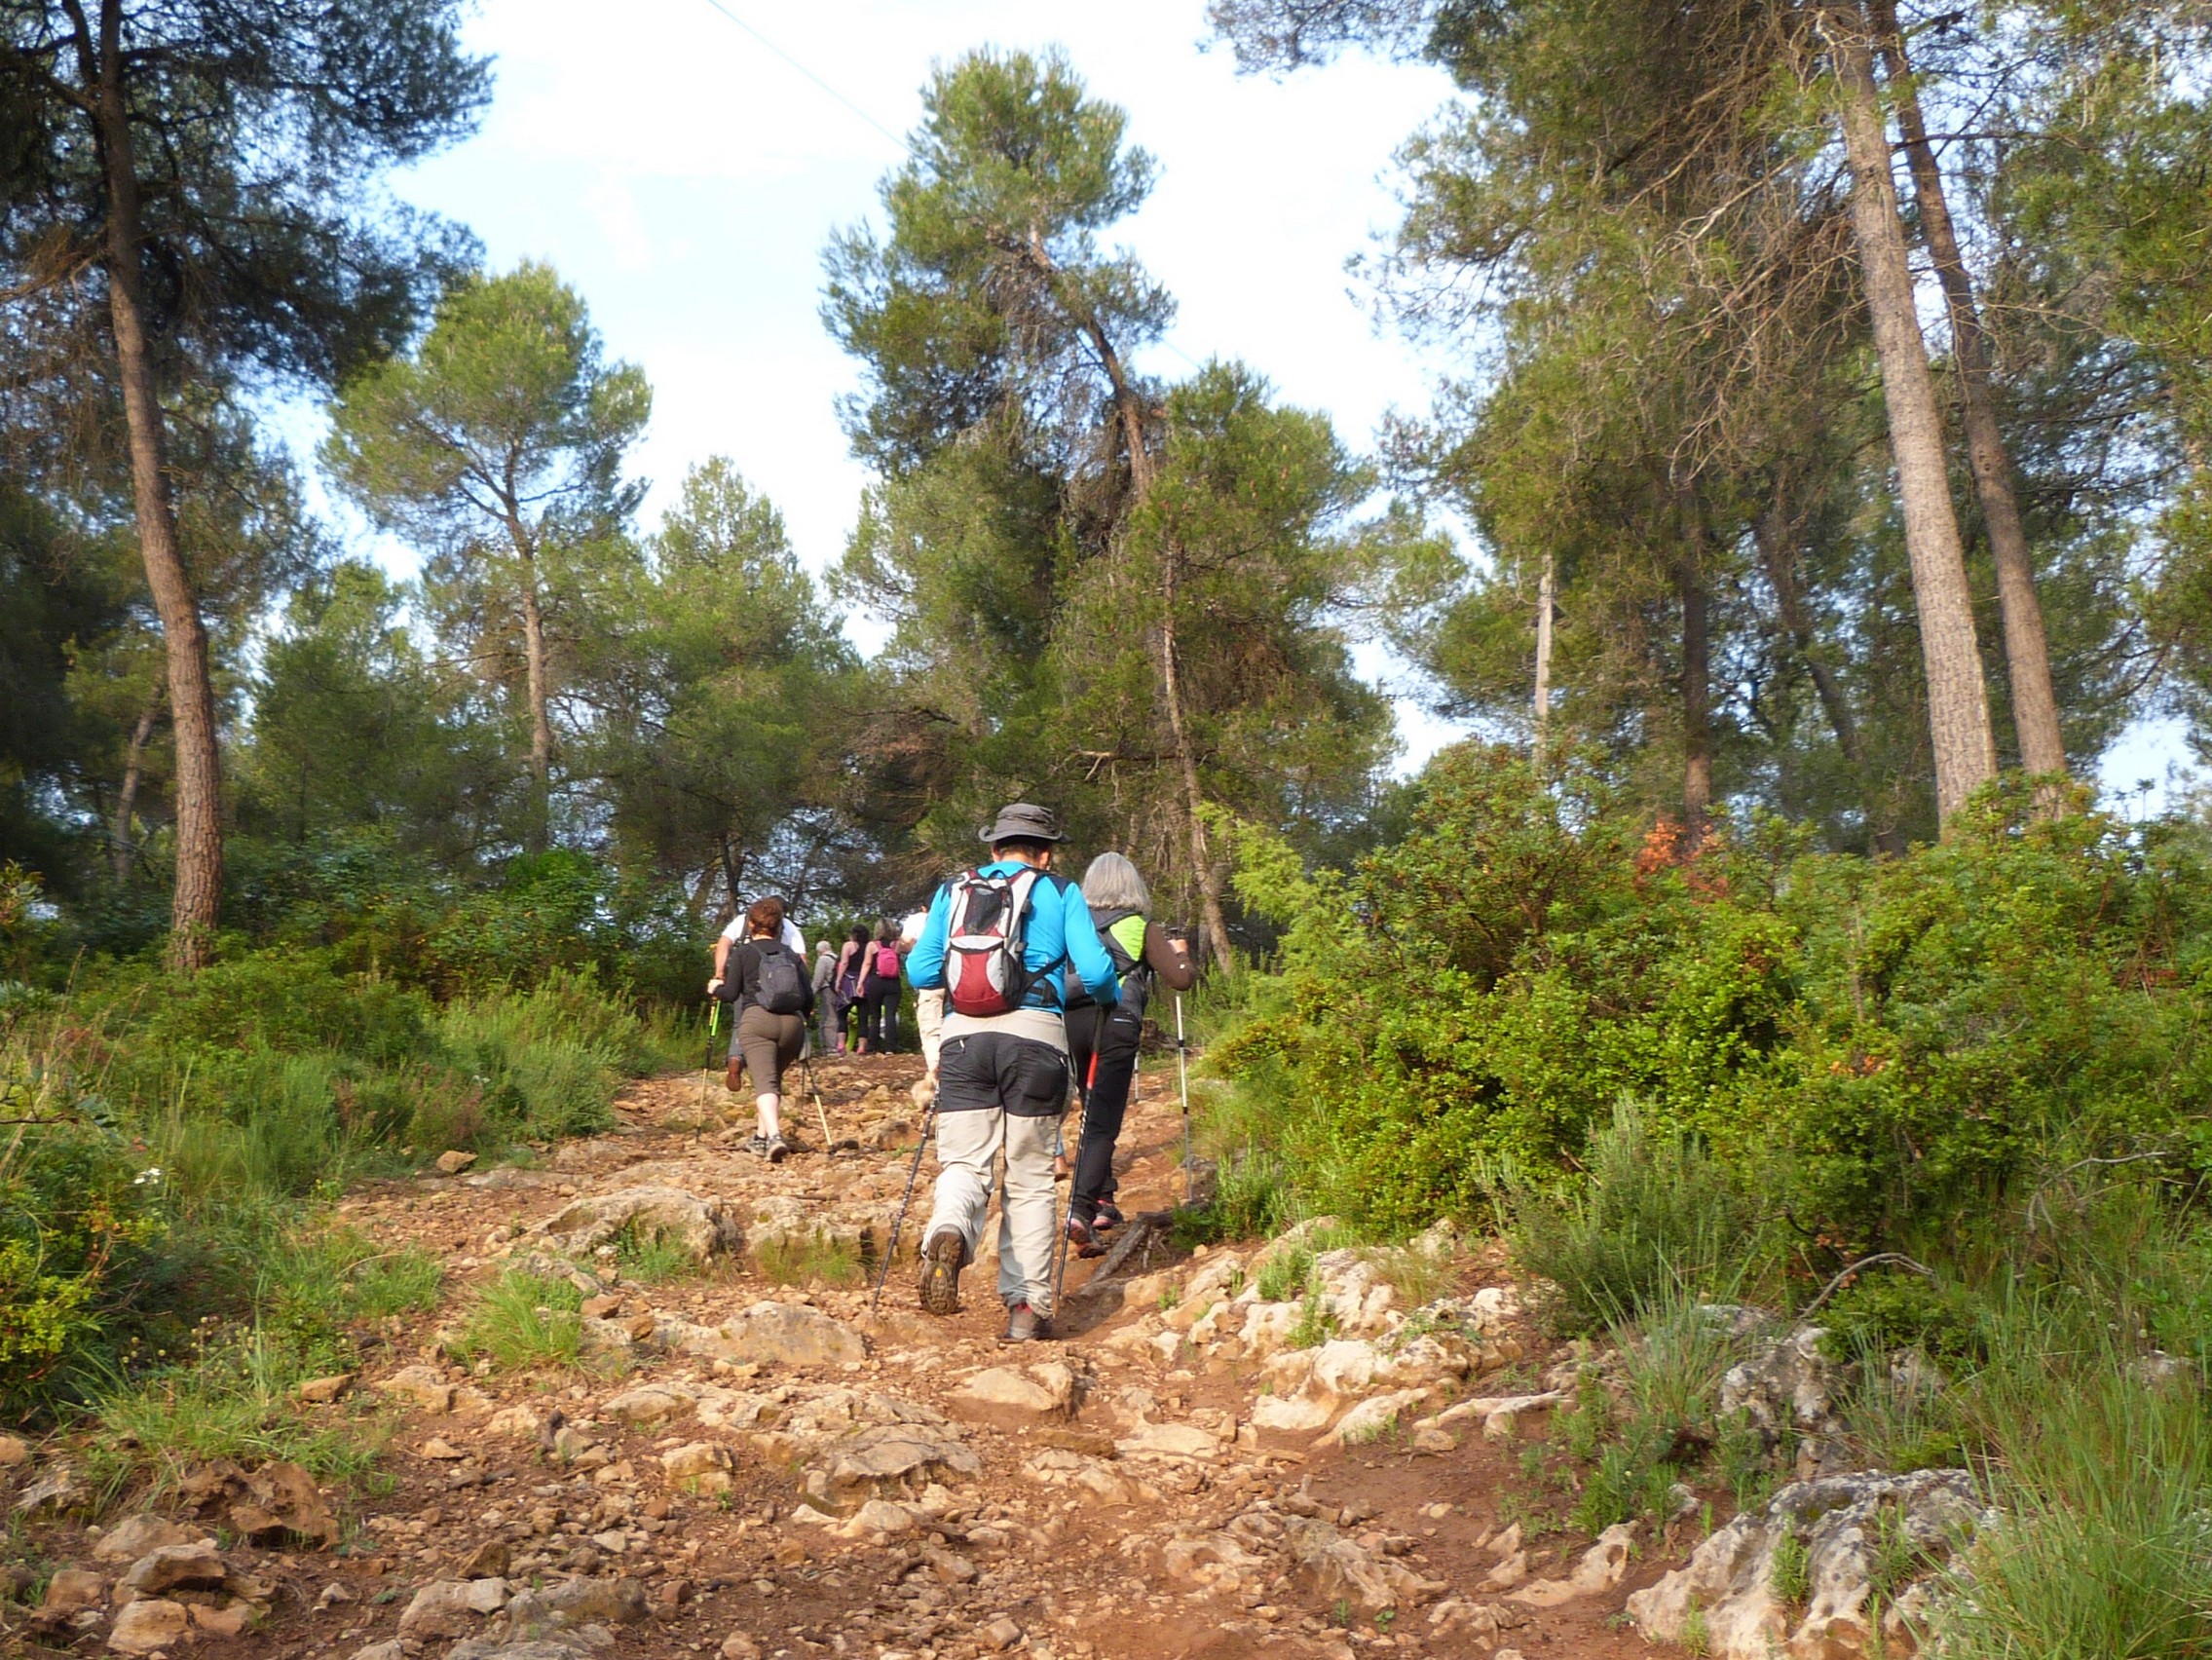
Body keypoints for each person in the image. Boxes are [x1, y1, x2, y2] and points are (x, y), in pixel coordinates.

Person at [906, 802, 1118, 1342]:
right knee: (1028, 1179)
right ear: (1045, 854)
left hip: (963, 1042)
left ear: (994, 848)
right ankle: (1025, 1310)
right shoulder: (1060, 891)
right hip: (1036, 1042)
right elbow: (1096, 972)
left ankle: (950, 1227)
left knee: (964, 1163)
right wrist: (1106, 999)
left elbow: (920, 970)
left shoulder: (953, 890)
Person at [1062, 852, 1196, 1253]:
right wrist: (1182, 953)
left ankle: (1103, 1199)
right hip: (1116, 1023)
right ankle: (1081, 1209)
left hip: (1072, 1022)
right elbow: (1180, 980)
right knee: (1103, 1121)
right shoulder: (1141, 925)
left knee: (1091, 1110)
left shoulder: (1075, 923)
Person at [711, 896, 812, 1162]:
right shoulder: (791, 955)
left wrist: (715, 988)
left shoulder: (743, 953)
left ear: (751, 925)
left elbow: (731, 994)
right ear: (780, 927)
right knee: (772, 1079)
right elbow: (808, 996)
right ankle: (760, 1137)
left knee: (764, 1082)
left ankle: (775, 1136)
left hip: (757, 1021)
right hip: (792, 1025)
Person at [857, 919, 903, 1053]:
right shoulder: (897, 944)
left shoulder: (872, 945)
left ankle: (872, 1047)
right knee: (890, 1015)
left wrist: (860, 982)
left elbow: (866, 964)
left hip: (875, 981)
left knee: (875, 1015)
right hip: (893, 982)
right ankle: (890, 1048)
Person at [834, 924, 871, 1052]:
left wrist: (838, 981)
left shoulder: (848, 945)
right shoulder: (869, 946)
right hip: (864, 982)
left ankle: (841, 1044)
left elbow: (844, 963)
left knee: (842, 1013)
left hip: (848, 983)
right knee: (863, 1017)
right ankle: (862, 1047)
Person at [810, 938, 842, 1056]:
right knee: (836, 1018)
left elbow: (818, 979)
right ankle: (837, 1045)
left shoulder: (823, 959)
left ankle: (830, 1047)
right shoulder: (837, 958)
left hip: (827, 990)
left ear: (819, 951)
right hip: (838, 991)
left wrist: (811, 993)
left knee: (828, 1018)